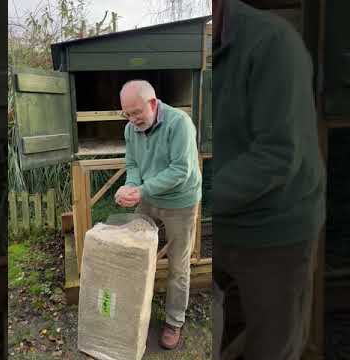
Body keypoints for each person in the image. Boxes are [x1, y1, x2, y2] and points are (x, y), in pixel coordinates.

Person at [212, 1, 326, 359]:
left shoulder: (274, 43)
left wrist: (195, 196)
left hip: (275, 227)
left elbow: (278, 155)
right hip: (220, 220)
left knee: (274, 343)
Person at [114, 79, 202, 350]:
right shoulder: (131, 129)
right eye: (126, 114)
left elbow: (181, 170)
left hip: (181, 202)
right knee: (139, 256)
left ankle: (174, 321)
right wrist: (129, 187)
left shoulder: (179, 124)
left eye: (136, 112)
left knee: (178, 266)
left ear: (153, 103)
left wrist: (141, 190)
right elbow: (132, 164)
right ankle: (139, 313)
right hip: (148, 198)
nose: (132, 119)